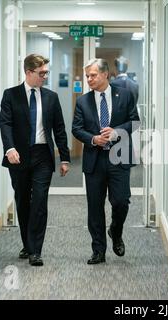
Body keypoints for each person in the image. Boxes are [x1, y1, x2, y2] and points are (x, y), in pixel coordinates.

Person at [0, 54, 70, 267]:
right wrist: (9, 148)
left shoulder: (51, 97)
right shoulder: (11, 95)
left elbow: (59, 129)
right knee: (22, 200)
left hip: (43, 157)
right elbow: (5, 124)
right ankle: (27, 243)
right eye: (41, 73)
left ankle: (35, 251)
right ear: (28, 72)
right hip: (18, 156)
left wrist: (64, 158)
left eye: (46, 72)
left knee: (39, 201)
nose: (45, 77)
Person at [72, 58, 140, 264]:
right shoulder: (83, 101)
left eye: (93, 75)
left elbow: (135, 122)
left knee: (121, 201)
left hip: (119, 157)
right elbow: (76, 128)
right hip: (95, 160)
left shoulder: (125, 95)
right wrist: (93, 139)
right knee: (95, 206)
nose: (89, 79)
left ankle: (115, 232)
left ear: (105, 75)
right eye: (87, 76)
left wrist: (116, 132)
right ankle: (98, 250)